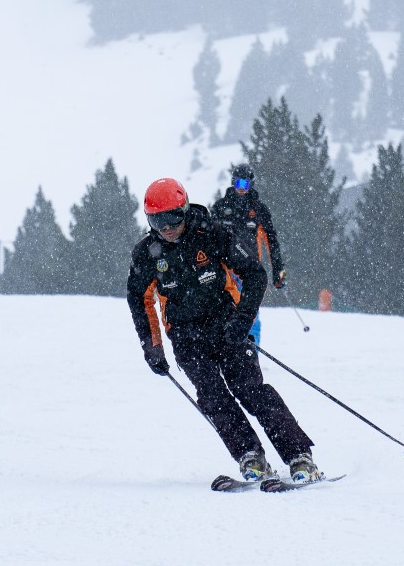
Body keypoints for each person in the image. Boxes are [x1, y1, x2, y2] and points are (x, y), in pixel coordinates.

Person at [126, 177, 321, 483]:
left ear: (185, 210)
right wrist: (152, 347)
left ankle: (300, 457)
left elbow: (255, 275)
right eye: (157, 221)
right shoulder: (147, 253)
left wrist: (242, 319)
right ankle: (250, 457)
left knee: (250, 390)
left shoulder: (213, 234)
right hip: (186, 336)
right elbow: (139, 300)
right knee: (212, 396)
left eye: (172, 219)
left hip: (227, 325)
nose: (166, 228)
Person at [211, 164, 286, 343]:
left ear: (251, 184)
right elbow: (209, 238)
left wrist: (278, 272)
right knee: (222, 309)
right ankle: (223, 348)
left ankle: (251, 349)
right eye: (238, 184)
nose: (241, 189)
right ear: (233, 183)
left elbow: (272, 242)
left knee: (249, 311)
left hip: (249, 270)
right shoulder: (221, 207)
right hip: (225, 269)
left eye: (245, 184)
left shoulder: (259, 210)